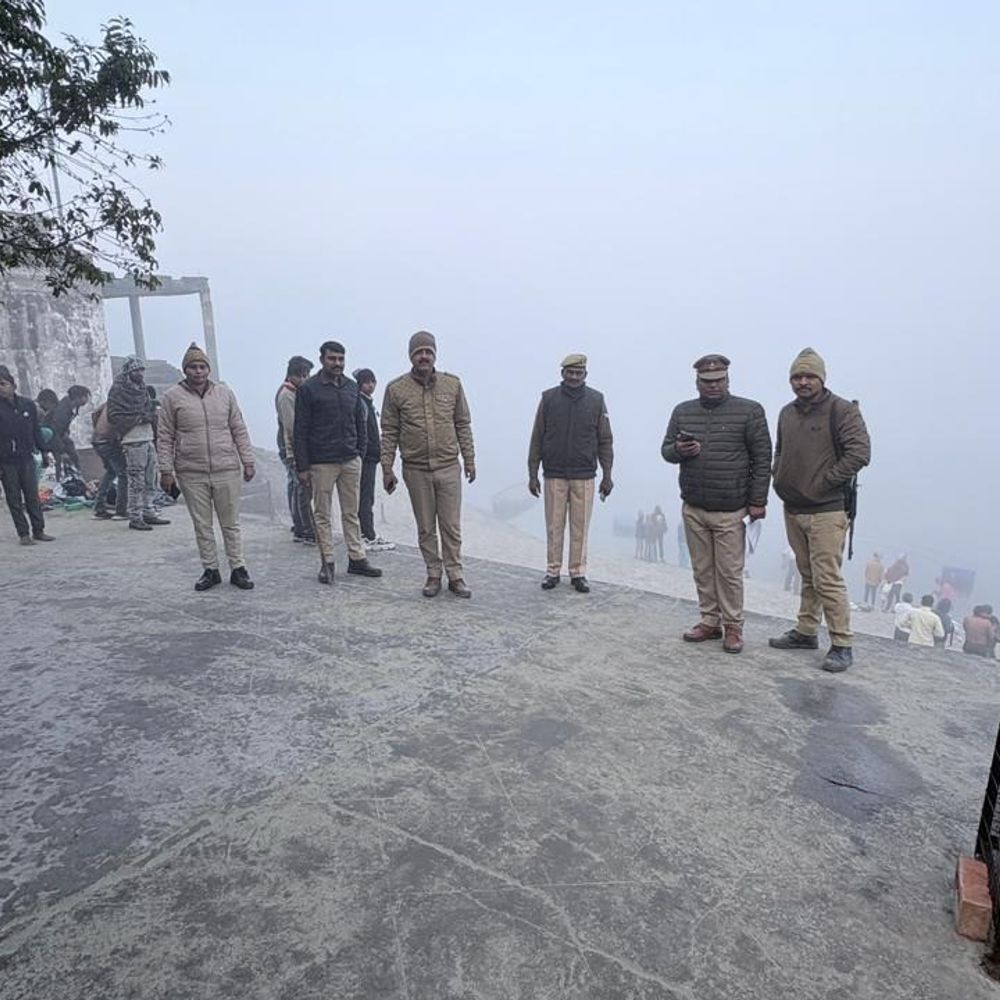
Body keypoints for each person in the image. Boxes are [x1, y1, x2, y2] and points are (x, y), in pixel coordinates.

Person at [769, 347, 871, 672]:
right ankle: (806, 630)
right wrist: (778, 476)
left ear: (821, 378)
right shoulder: (786, 412)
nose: (802, 382)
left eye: (809, 376)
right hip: (793, 506)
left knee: (827, 577)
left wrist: (824, 482)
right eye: (797, 377)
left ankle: (842, 643)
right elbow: (779, 450)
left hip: (827, 509)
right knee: (807, 573)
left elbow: (860, 453)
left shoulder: (841, 410)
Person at [662, 354, 772, 654]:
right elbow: (666, 451)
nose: (712, 386)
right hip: (694, 505)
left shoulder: (750, 411)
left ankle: (733, 626)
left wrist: (758, 501)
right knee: (702, 568)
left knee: (729, 572)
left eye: (718, 380)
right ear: (697, 382)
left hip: (731, 509)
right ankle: (709, 621)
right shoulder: (682, 411)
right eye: (707, 381)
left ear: (728, 380)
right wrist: (680, 450)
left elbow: (763, 459)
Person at [381, 330, 475, 598]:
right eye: (419, 352)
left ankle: (455, 575)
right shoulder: (396, 389)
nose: (424, 356)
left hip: (448, 467)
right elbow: (389, 431)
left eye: (428, 352)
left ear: (435, 354)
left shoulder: (453, 385)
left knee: (451, 526)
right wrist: (387, 468)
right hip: (416, 469)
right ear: (411, 356)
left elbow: (463, 424)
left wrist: (469, 459)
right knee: (425, 527)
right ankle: (433, 573)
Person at [158, 343, 256, 591]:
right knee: (202, 524)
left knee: (230, 522)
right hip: (191, 471)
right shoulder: (172, 397)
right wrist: (166, 470)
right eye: (193, 367)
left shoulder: (224, 394)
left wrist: (248, 460)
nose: (198, 372)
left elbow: (238, 428)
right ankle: (210, 569)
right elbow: (165, 435)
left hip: (226, 468)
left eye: (202, 366)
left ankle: (238, 568)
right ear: (185, 370)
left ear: (208, 369)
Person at [293, 342, 382, 586]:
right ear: (322, 359)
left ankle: (357, 558)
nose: (337, 363)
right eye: (332, 358)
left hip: (350, 460)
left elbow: (360, 422)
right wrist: (302, 467)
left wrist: (359, 454)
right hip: (321, 462)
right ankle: (328, 562)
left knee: (351, 512)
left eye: (341, 359)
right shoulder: (308, 389)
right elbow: (299, 430)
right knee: (322, 514)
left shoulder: (351, 388)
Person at [527, 353, 613, 593]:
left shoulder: (597, 401)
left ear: (585, 375)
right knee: (554, 526)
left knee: (580, 526)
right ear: (562, 373)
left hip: (585, 475)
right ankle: (552, 571)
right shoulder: (548, 399)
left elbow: (605, 440)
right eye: (570, 372)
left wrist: (608, 474)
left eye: (579, 373)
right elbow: (537, 437)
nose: (574, 377)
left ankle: (578, 572)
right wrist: (533, 472)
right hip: (554, 473)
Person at [107, 357, 170, 532]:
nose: (140, 374)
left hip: (147, 437)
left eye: (142, 370)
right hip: (132, 440)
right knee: (136, 481)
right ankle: (135, 516)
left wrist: (148, 415)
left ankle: (149, 511)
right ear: (129, 373)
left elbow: (148, 409)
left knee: (151, 478)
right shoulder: (118, 391)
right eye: (137, 371)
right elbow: (115, 416)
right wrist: (139, 418)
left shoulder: (142, 389)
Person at [0, 365, 54, 544]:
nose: (1, 388)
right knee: (14, 498)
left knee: (32, 496)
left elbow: (36, 431)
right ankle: (23, 534)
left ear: (13, 386)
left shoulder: (27, 405)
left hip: (26, 458)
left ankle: (39, 530)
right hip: (6, 461)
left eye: (3, 384)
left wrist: (44, 452)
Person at [353, 367, 395, 553]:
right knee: (365, 497)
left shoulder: (367, 402)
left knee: (364, 496)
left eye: (373, 381)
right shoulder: (360, 403)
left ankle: (364, 533)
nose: (371, 385)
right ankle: (367, 535)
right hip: (366, 458)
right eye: (367, 381)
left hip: (370, 457)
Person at [275, 355, 315, 543]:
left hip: (291, 447)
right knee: (302, 487)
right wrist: (296, 454)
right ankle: (305, 528)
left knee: (294, 485)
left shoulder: (293, 392)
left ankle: (299, 524)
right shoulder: (286, 396)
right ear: (295, 375)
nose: (306, 379)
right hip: (291, 447)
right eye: (305, 375)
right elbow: (291, 428)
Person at [90, 399, 128, 520]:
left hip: (97, 440)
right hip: (109, 442)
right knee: (123, 474)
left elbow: (94, 413)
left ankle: (99, 508)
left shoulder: (110, 401)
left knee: (111, 472)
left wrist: (98, 429)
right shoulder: (122, 402)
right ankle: (121, 511)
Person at [43, 384, 90, 477]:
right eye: (85, 396)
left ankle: (77, 475)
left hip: (59, 435)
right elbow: (55, 431)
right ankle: (59, 480)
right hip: (51, 437)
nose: (87, 399)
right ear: (77, 397)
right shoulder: (63, 410)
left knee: (71, 450)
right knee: (60, 460)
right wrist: (62, 451)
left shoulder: (71, 406)